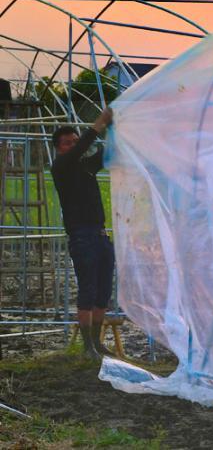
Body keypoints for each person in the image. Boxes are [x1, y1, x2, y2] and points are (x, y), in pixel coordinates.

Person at [50, 108, 115, 360]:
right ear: (59, 149)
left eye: (75, 140)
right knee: (87, 290)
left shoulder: (85, 166)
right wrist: (99, 122)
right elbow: (83, 148)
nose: (74, 145)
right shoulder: (61, 167)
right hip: (82, 236)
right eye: (67, 143)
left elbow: (106, 153)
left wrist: (115, 129)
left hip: (99, 235)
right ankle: (88, 347)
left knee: (103, 290)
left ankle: (97, 344)